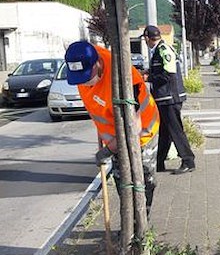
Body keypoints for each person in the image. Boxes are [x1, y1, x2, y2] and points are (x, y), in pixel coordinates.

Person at [65, 41, 160, 215]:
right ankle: (128, 225)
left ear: (98, 63)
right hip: (114, 139)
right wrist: (105, 140)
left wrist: (107, 150)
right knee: (122, 182)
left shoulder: (123, 79)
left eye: (87, 77)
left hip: (143, 132)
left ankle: (141, 225)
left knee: (144, 182)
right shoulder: (82, 61)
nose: (84, 83)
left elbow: (134, 127)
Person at [142, 25, 196, 175]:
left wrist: (149, 77)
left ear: (147, 38)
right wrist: (150, 72)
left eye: (145, 38)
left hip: (170, 97)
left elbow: (169, 74)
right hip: (164, 98)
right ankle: (159, 162)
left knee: (175, 130)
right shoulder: (159, 50)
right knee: (164, 131)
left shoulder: (163, 50)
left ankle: (188, 160)